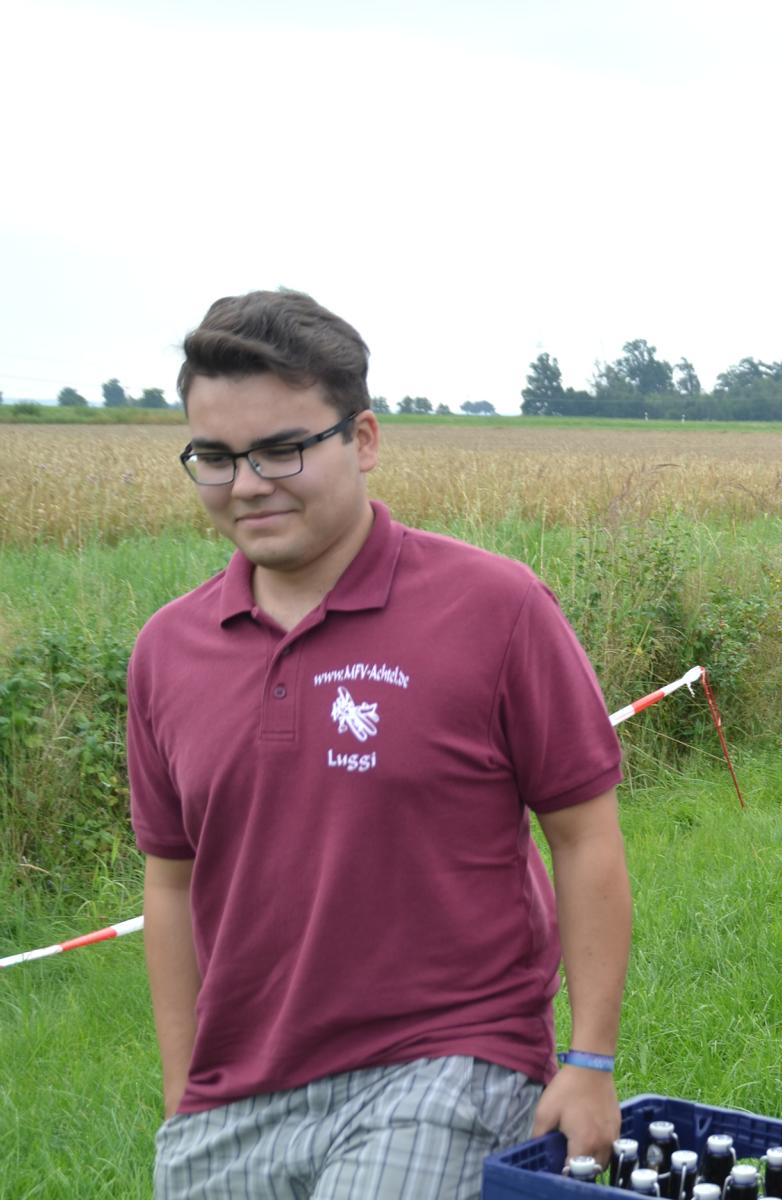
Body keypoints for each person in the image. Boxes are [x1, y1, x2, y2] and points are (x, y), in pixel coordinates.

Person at [129, 290, 632, 1199]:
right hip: (231, 1103)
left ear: (361, 439)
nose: (248, 484)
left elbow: (584, 835)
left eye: (282, 449)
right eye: (216, 457)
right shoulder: (167, 651)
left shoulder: (496, 608)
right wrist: (181, 1096)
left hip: (444, 1066)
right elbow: (169, 883)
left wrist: (589, 1058)